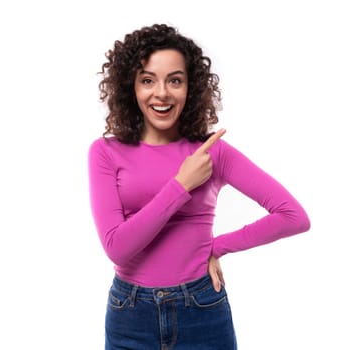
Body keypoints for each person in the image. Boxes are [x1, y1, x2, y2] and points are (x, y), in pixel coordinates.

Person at [88, 23, 311, 349]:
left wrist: (216, 247)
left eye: (174, 80)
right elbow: (117, 247)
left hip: (202, 308)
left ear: (190, 87)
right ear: (130, 88)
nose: (161, 93)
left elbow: (293, 216)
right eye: (147, 80)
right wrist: (181, 184)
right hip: (130, 313)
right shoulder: (105, 152)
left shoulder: (212, 151)